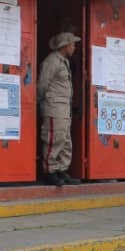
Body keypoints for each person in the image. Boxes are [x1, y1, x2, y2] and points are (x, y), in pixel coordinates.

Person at [37, 31, 81, 186]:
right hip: (54, 107)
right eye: (72, 44)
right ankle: (49, 170)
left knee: (65, 140)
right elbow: (42, 85)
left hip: (64, 107)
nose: (74, 47)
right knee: (53, 139)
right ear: (65, 45)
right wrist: (43, 102)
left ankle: (61, 169)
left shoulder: (64, 61)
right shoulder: (52, 61)